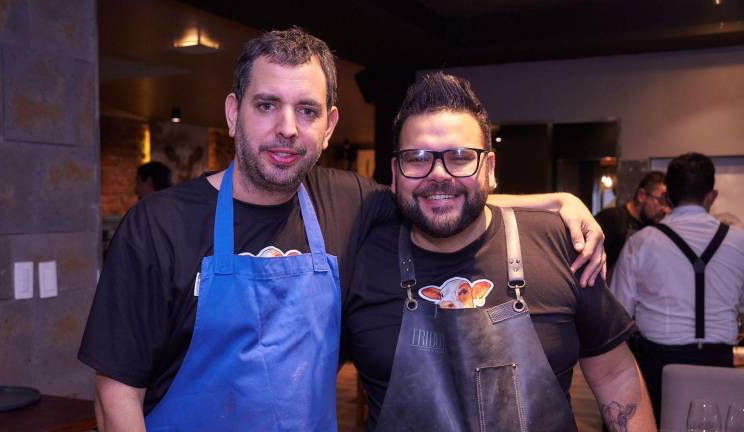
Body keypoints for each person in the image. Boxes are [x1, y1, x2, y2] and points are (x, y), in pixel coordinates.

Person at [80, 28, 606, 431]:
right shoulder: (158, 226)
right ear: (234, 113)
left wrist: (557, 202)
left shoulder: (345, 200)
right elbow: (115, 392)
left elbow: (438, 190)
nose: (287, 127)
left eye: (306, 110)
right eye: (267, 105)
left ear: (328, 126)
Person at [344, 72, 656, 432]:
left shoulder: (558, 244)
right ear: (395, 174)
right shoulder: (362, 257)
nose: (439, 174)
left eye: (461, 157)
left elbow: (617, 375)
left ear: (489, 170)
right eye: (417, 157)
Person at [611, 152, 744, 422]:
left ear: (668, 196)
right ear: (712, 195)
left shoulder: (641, 243)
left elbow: (617, 315)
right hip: (718, 362)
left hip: (657, 365)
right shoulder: (739, 242)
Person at [595, 171, 668, 277]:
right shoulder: (612, 218)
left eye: (667, 203)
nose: (663, 208)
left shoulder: (652, 226)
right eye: (660, 201)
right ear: (642, 195)